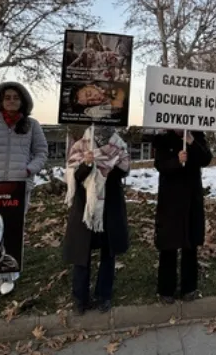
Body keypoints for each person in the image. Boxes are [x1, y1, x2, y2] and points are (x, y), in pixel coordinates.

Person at [0, 81, 48, 297]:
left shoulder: (32, 125)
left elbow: (41, 152)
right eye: (7, 97)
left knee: (12, 231)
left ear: (23, 101)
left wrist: (30, 169)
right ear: (0, 101)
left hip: (18, 187)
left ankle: (8, 273)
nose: (11, 101)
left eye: (16, 97)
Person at [63, 126, 130, 313]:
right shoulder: (80, 145)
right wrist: (87, 164)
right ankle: (80, 298)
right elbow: (75, 175)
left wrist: (109, 166)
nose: (103, 127)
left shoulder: (119, 145)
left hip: (111, 204)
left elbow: (125, 170)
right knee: (81, 253)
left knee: (109, 253)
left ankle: (104, 295)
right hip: (86, 205)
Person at [154, 130, 212, 303]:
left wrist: (192, 142)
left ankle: (189, 287)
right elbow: (160, 164)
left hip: (191, 198)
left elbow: (206, 159)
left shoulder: (198, 136)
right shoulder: (164, 139)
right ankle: (166, 289)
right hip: (170, 200)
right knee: (169, 244)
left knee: (190, 244)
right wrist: (176, 161)